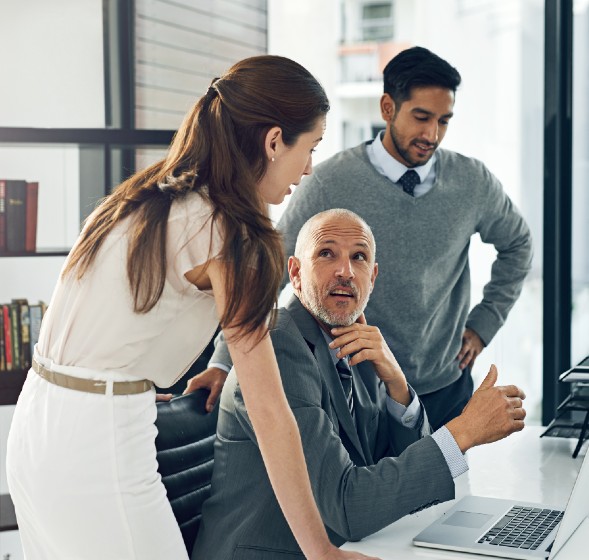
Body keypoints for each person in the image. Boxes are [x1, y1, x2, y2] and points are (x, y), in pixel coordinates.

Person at [6, 56, 377, 560]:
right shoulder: (231, 233)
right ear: (273, 142)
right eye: (308, 147)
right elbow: (269, 410)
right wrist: (321, 551)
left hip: (35, 427)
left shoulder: (142, 195)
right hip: (98, 447)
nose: (308, 167)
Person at [193, 46, 533, 430]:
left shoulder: (473, 182)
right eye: (421, 117)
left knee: (450, 488)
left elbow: (518, 245)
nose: (432, 134)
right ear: (387, 108)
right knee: (366, 489)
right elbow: (271, 270)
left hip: (445, 388)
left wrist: (483, 323)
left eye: (444, 121)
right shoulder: (327, 182)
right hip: (358, 391)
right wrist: (224, 360)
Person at [192, 209, 527, 558]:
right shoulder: (279, 344)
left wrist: (396, 382)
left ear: (373, 276)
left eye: (359, 257)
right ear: (295, 273)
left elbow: (397, 480)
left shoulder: (356, 345)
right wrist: (464, 431)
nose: (345, 271)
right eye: (326, 254)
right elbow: (348, 506)